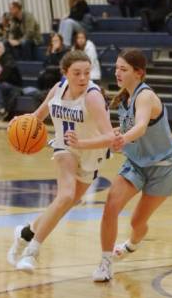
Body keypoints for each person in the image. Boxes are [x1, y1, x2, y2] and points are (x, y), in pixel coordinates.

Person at [6, 51, 115, 272]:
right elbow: (37, 116)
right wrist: (20, 123)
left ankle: (25, 232)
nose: (83, 78)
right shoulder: (57, 90)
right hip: (65, 148)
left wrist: (83, 143)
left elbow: (110, 136)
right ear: (65, 73)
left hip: (91, 151)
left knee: (69, 202)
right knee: (65, 196)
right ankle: (31, 253)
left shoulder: (93, 97)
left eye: (86, 73)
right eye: (77, 73)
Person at [92, 49, 172, 282]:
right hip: (136, 164)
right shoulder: (124, 98)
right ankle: (105, 262)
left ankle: (132, 245)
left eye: (124, 69)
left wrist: (123, 138)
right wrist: (116, 134)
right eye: (117, 68)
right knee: (111, 205)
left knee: (137, 222)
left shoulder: (145, 96)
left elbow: (141, 126)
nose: (117, 72)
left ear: (138, 73)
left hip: (163, 167)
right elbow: (131, 128)